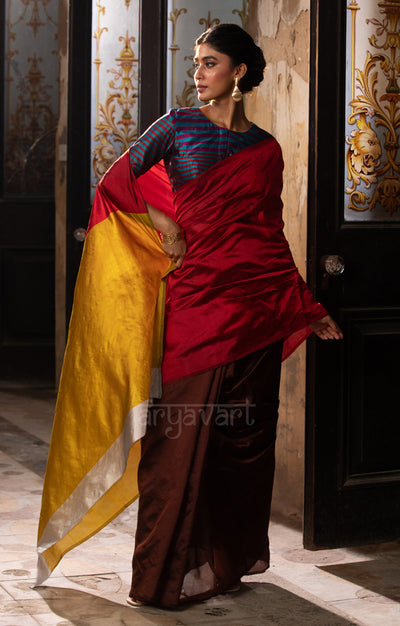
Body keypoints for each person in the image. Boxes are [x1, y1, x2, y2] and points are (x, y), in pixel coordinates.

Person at [36, 22, 341, 608]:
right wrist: (165, 222)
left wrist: (305, 305)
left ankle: (222, 561)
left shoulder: (266, 150)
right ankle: (162, 577)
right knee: (175, 448)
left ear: (239, 72)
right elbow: (115, 183)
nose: (197, 73)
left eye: (209, 63)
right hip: (197, 306)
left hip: (254, 308)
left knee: (242, 441)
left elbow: (268, 236)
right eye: (196, 62)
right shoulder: (175, 128)